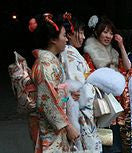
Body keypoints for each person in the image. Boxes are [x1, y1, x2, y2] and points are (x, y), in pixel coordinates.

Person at [31, 13, 79, 153]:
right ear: (53, 39)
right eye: (64, 35)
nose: (66, 40)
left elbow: (56, 94)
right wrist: (68, 126)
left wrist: (67, 95)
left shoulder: (50, 62)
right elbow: (47, 101)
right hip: (50, 127)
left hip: (56, 126)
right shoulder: (45, 65)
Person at [83, 15, 131, 153]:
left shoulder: (114, 53)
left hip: (114, 101)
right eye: (105, 32)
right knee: (103, 141)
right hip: (101, 102)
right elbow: (89, 76)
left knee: (115, 140)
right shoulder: (90, 53)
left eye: (111, 32)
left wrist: (121, 45)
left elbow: (127, 68)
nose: (108, 36)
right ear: (97, 32)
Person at [60, 12, 102, 152]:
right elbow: (77, 89)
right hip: (80, 113)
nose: (83, 37)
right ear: (70, 34)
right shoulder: (69, 53)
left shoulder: (71, 52)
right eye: (81, 32)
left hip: (82, 112)